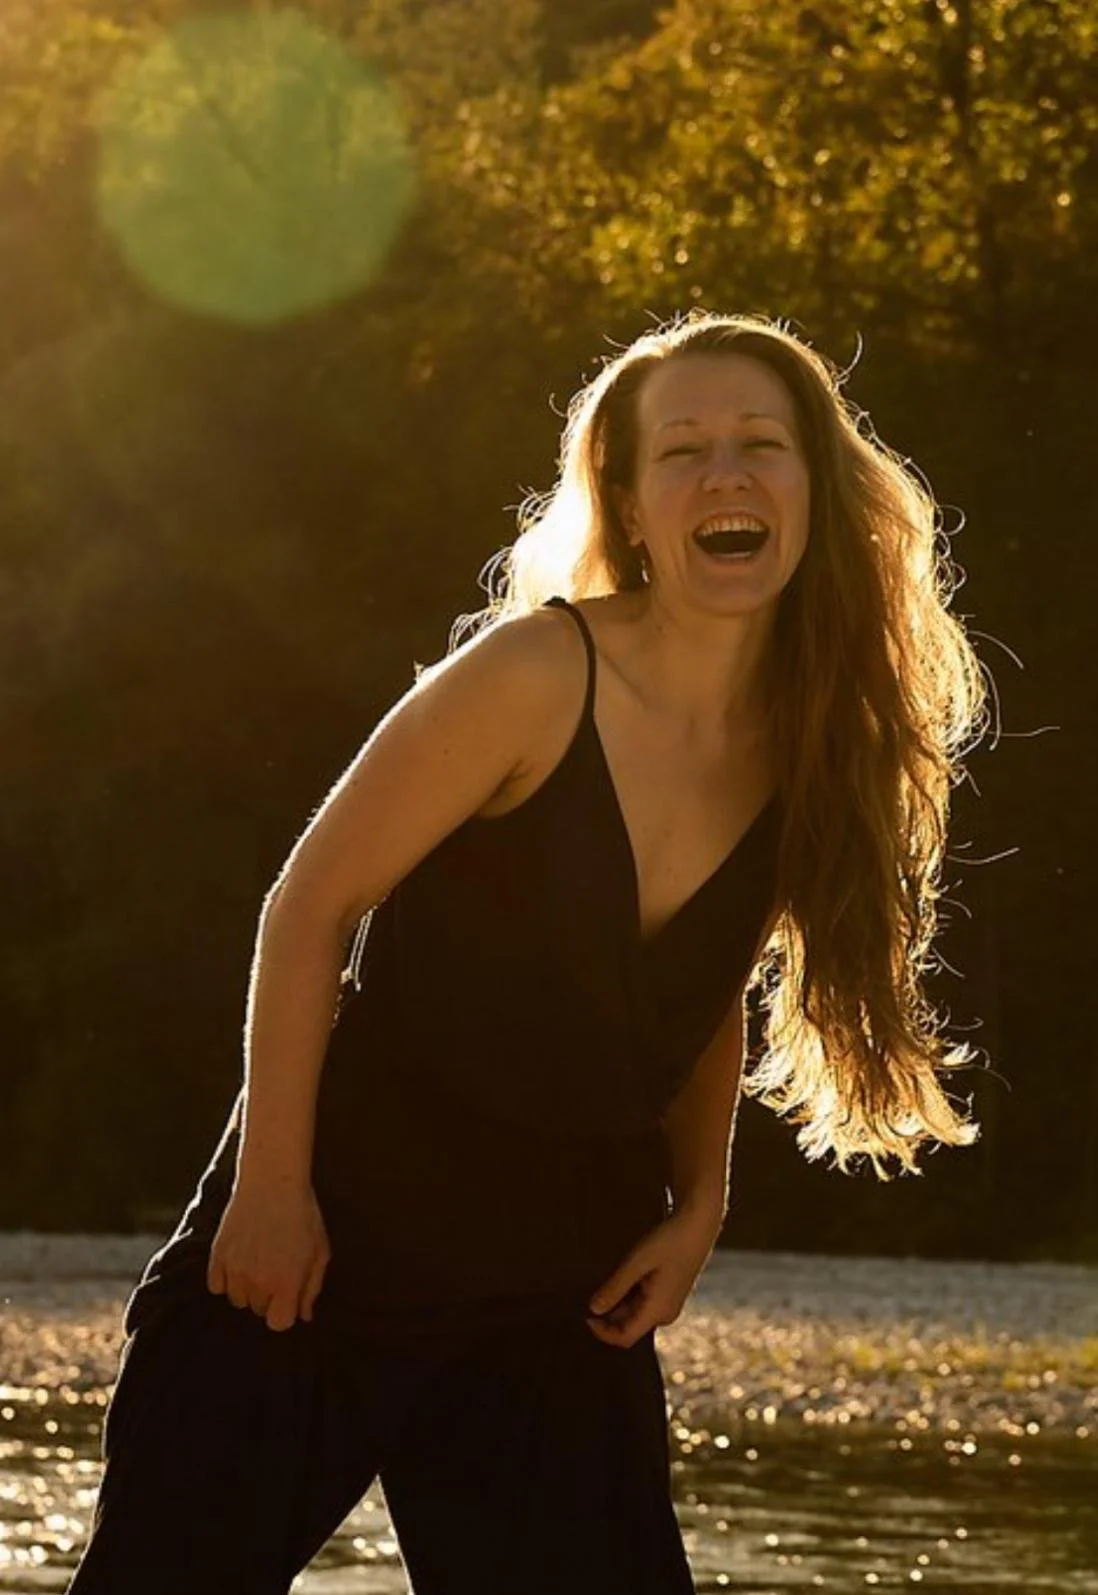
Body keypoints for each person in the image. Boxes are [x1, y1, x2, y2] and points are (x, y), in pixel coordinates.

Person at [66, 310, 986, 1594]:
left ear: (817, 486)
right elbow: (309, 906)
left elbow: (700, 982)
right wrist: (268, 1191)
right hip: (325, 1244)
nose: (725, 474)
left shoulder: (823, 732)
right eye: (685, 450)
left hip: (562, 1288)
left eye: (760, 444)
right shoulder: (537, 672)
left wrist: (701, 1202)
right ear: (632, 496)